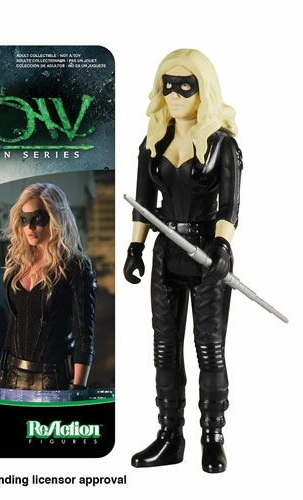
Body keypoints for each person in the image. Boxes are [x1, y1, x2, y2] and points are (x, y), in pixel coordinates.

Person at [124, 49, 242, 473]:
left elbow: (230, 207)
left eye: (184, 87)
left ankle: (213, 439)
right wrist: (135, 248)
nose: (174, 95)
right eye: (167, 86)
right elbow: (142, 205)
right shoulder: (152, 143)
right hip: (165, 257)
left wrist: (222, 248)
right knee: (164, 350)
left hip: (208, 257)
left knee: (210, 350)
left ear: (203, 90)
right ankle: (169, 437)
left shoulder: (222, 145)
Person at [0, 183, 96, 391]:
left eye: (38, 219)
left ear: (55, 219)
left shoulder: (75, 267)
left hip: (53, 379)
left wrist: (78, 388)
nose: (30, 227)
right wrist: (3, 374)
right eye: (24, 219)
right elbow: (14, 322)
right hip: (12, 377)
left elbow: (84, 335)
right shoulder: (18, 265)